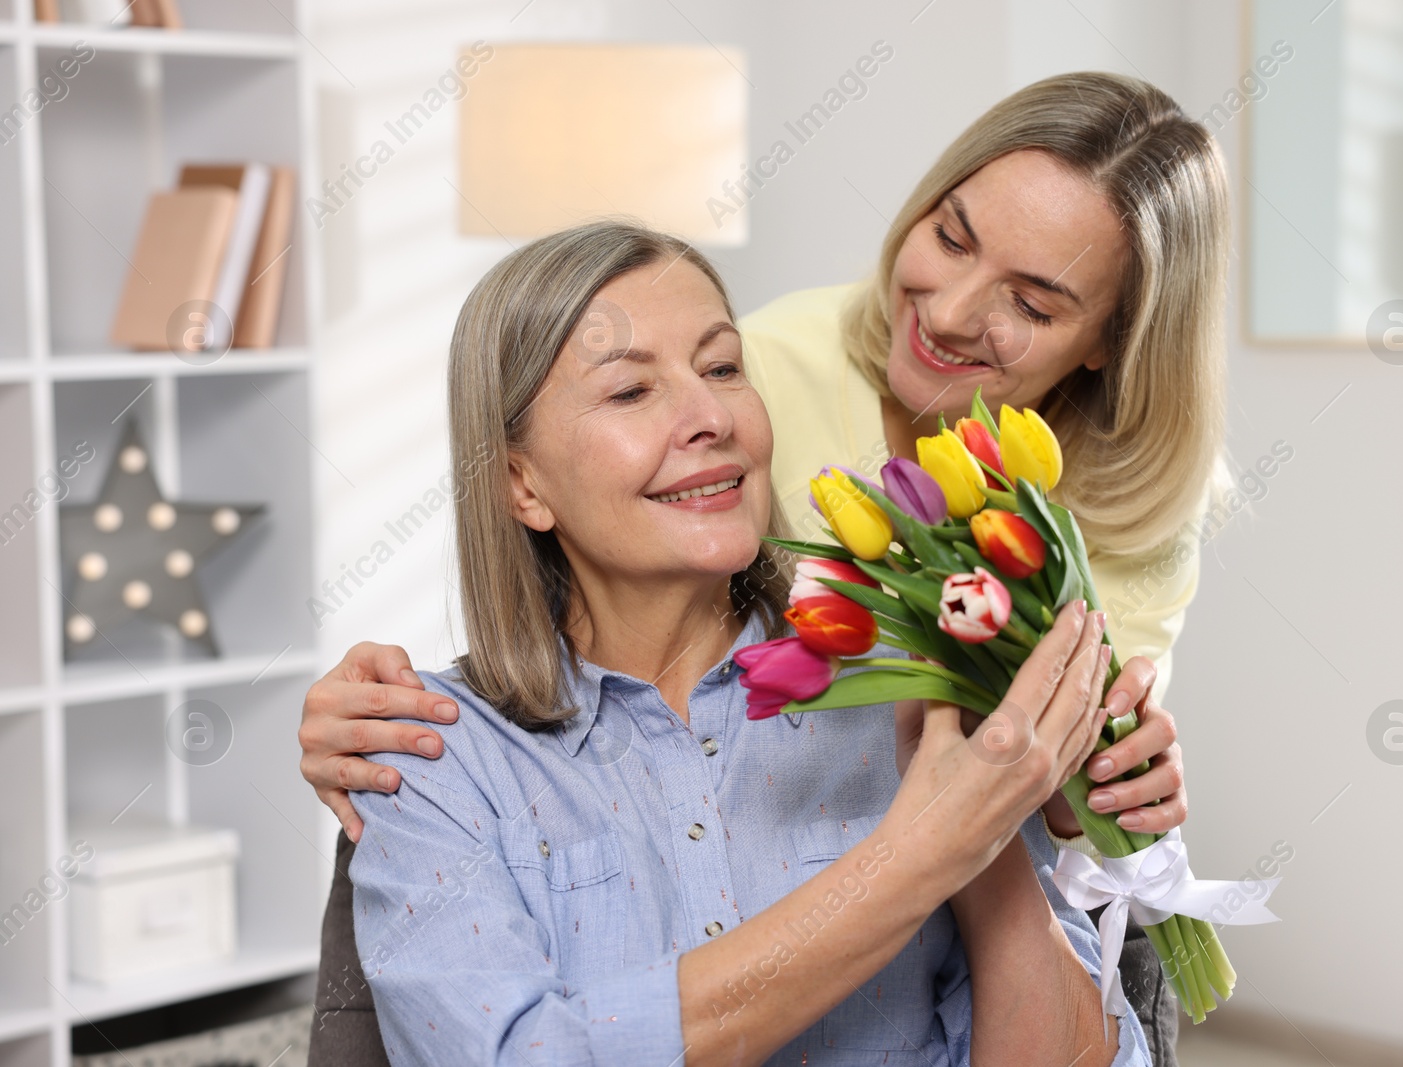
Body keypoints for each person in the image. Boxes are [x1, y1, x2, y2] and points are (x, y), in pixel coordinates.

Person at [302, 71, 1227, 1064]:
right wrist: (920, 851)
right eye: (629, 389)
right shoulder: (448, 761)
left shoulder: (913, 696)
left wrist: (1011, 798)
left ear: (1107, 344)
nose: (709, 414)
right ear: (520, 481)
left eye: (719, 365)